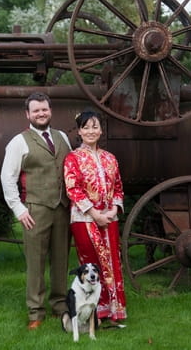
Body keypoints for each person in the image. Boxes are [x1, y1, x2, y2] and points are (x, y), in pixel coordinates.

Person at [0, 92, 72, 330]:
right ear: (28, 114)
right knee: (36, 263)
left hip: (62, 208)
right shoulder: (19, 141)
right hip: (35, 210)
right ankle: (35, 312)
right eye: (36, 110)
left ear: (50, 111)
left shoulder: (62, 137)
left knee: (61, 259)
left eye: (45, 109)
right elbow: (7, 178)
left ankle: (60, 306)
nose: (41, 113)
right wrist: (19, 209)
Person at [63, 110, 127, 325]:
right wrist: (94, 213)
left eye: (95, 127)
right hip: (84, 219)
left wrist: (113, 210)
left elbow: (118, 187)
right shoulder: (73, 158)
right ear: (79, 131)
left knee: (112, 261)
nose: (91, 131)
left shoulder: (110, 158)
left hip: (109, 218)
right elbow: (74, 189)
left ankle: (114, 309)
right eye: (86, 127)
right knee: (92, 264)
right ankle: (94, 311)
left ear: (101, 130)